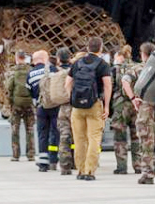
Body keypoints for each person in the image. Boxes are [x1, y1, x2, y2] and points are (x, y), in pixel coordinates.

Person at [122, 42, 155, 185]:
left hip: (146, 106)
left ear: (143, 54)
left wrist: (133, 98)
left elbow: (125, 81)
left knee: (147, 141)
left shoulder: (139, 68)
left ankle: (148, 174)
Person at [66, 37, 112, 181]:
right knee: (94, 138)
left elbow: (67, 83)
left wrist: (72, 98)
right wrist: (106, 106)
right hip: (94, 105)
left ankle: (80, 170)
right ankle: (89, 171)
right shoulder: (103, 64)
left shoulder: (77, 63)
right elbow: (107, 85)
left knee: (79, 139)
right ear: (101, 48)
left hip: (77, 107)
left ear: (87, 48)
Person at [26, 50, 60, 172]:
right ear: (45, 59)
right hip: (54, 106)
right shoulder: (54, 70)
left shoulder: (30, 74)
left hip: (41, 107)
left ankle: (43, 163)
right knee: (55, 133)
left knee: (42, 134)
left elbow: (29, 92)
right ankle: (53, 160)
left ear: (34, 60)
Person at [110, 44, 141, 175]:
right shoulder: (138, 67)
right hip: (136, 105)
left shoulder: (115, 69)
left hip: (120, 106)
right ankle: (138, 166)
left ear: (119, 56)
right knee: (137, 137)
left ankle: (121, 167)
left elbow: (110, 88)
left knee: (120, 138)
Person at [6, 50, 34, 162]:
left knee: (15, 129)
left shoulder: (13, 71)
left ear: (17, 58)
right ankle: (31, 154)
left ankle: (15, 155)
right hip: (29, 104)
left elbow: (9, 89)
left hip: (16, 104)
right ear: (25, 58)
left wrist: (10, 103)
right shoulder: (31, 70)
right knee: (30, 129)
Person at [55, 47, 76, 176]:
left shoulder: (55, 73)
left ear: (58, 59)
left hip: (62, 107)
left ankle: (64, 167)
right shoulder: (75, 70)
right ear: (70, 57)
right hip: (76, 106)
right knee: (78, 136)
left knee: (64, 137)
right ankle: (77, 163)